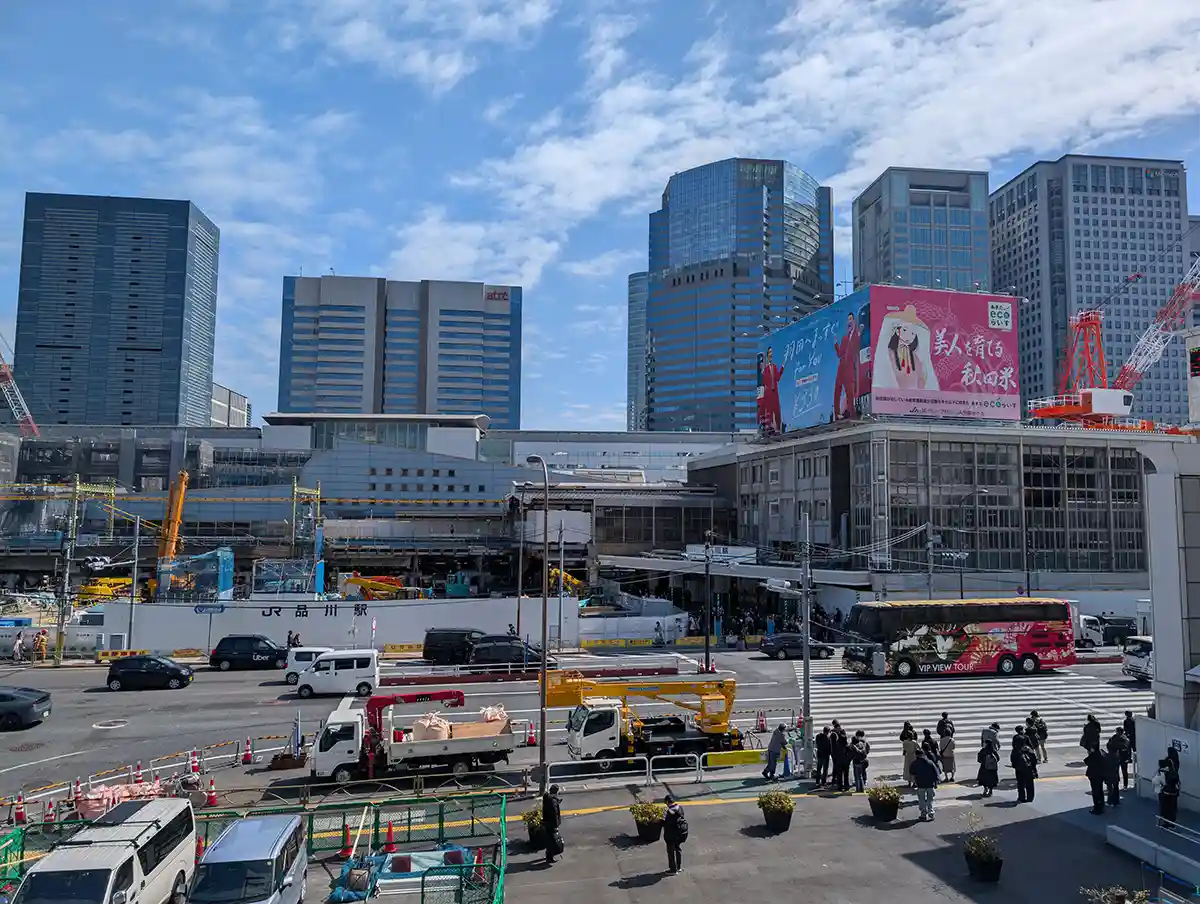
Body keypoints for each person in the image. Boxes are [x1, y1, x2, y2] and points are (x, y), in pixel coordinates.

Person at [910, 748, 939, 821]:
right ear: (923, 754)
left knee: (921, 799)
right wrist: (935, 782)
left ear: (916, 755)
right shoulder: (930, 762)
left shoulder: (914, 763)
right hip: (930, 784)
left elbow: (912, 773)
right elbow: (936, 773)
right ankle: (931, 813)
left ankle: (923, 814)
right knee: (930, 799)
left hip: (920, 784)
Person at [662, 794, 688, 875]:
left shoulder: (669, 812)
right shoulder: (679, 808)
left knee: (670, 851)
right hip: (681, 833)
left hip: (671, 834)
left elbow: (665, 822)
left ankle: (673, 869)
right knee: (677, 848)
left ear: (667, 802)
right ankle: (678, 867)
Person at [1012, 729, 1039, 803]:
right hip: (1029, 769)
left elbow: (1013, 761)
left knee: (1020, 784)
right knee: (1029, 784)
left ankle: (1021, 797)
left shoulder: (1015, 751)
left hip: (1019, 769)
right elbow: (1034, 760)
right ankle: (1030, 798)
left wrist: (1015, 766)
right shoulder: (1029, 750)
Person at [1154, 757, 1181, 826]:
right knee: (1172, 808)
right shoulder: (1173, 771)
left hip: (1164, 793)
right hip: (1174, 793)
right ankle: (1172, 823)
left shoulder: (1161, 773)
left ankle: (1166, 823)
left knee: (1164, 808)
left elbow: (1155, 781)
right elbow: (1178, 783)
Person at [542, 784, 563, 865]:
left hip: (547, 823)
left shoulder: (548, 799)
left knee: (549, 839)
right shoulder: (552, 801)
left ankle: (549, 855)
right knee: (552, 840)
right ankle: (550, 857)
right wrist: (556, 825)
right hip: (551, 824)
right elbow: (554, 814)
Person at [1085, 747, 1107, 814]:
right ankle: (1101, 805)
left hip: (1095, 776)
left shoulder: (1093, 757)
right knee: (1100, 791)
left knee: (1096, 792)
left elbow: (1086, 761)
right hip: (1100, 776)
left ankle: (1097, 808)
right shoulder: (1101, 754)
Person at [831, 726, 851, 792]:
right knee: (846, 775)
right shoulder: (847, 745)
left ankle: (840, 786)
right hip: (846, 762)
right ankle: (846, 786)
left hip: (839, 762)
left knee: (839, 775)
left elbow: (834, 753)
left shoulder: (837, 745)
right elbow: (850, 753)